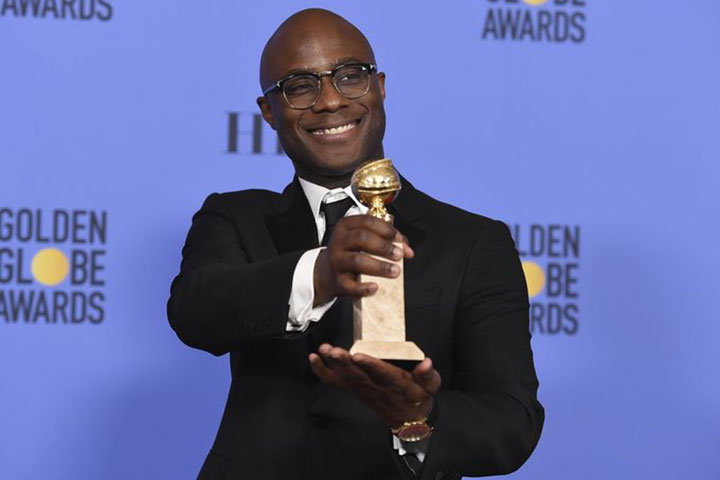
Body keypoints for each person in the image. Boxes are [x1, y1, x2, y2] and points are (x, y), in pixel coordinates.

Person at [167, 8, 544, 480]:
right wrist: (322, 272)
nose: (329, 101)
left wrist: (419, 416)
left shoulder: (473, 241)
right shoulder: (235, 217)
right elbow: (195, 313)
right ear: (268, 111)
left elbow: (512, 425)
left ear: (380, 87)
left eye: (350, 76)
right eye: (300, 86)